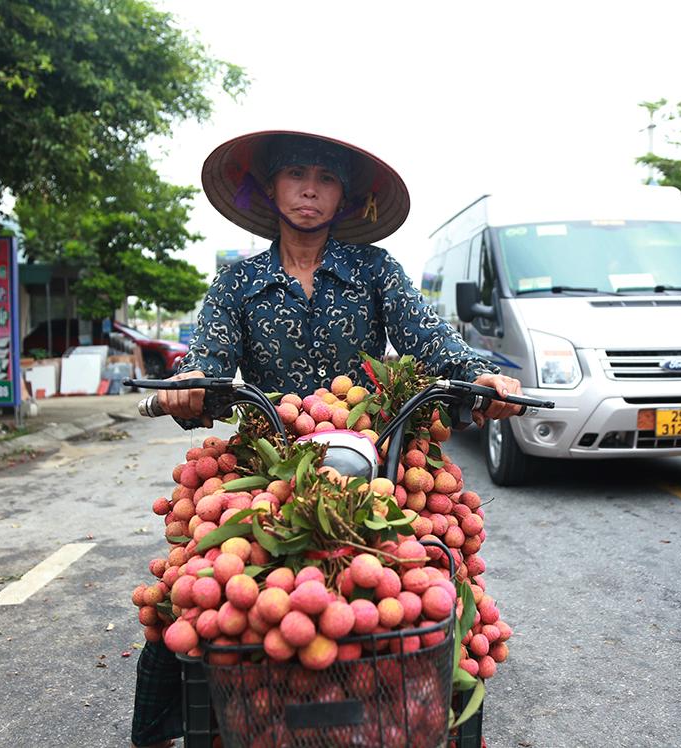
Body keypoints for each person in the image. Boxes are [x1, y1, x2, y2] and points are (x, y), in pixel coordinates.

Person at [132, 130, 524, 747]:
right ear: (272, 188)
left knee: (447, 568)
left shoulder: (376, 271)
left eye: (326, 177)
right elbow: (205, 363)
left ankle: (445, 717)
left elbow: (434, 344)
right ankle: (160, 722)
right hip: (270, 466)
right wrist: (187, 386)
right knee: (185, 578)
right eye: (295, 174)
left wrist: (480, 376)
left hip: (372, 456)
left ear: (343, 196)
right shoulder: (238, 283)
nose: (310, 188)